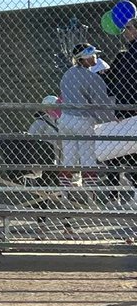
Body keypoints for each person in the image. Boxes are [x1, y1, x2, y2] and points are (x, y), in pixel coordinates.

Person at [59, 44, 114, 186]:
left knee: (68, 158)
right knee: (87, 158)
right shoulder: (92, 78)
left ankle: (64, 193)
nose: (96, 57)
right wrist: (111, 119)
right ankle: (91, 195)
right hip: (82, 120)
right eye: (93, 55)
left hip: (65, 119)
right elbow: (101, 103)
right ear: (85, 58)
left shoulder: (67, 74)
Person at [103, 22, 137, 119]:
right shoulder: (124, 56)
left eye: (129, 28)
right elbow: (113, 78)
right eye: (124, 28)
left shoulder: (130, 54)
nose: (124, 31)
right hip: (124, 107)